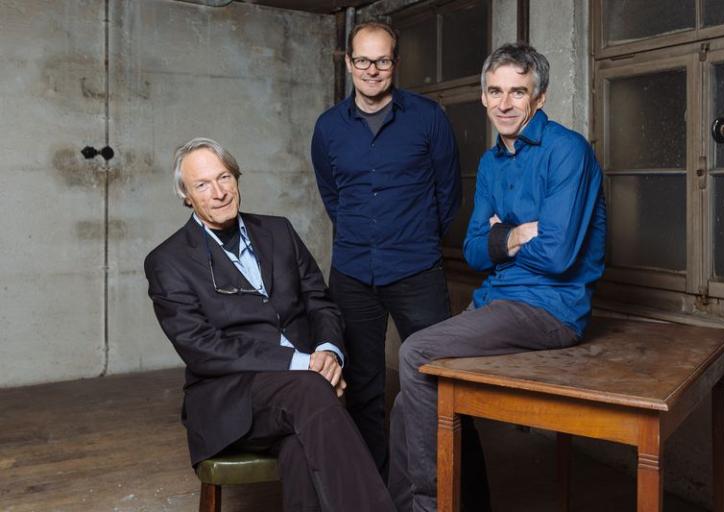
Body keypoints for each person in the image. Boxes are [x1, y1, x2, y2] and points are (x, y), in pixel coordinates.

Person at [390, 43, 607, 512]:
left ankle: (430, 507)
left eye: (517, 92)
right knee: (407, 401)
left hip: (551, 309)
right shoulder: (491, 163)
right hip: (496, 302)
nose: (504, 104)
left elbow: (558, 255)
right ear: (484, 97)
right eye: (495, 91)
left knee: (415, 350)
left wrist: (500, 242)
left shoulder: (567, 151)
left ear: (540, 97)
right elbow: (471, 251)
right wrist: (516, 236)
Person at [144, 137, 395, 512]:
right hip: (230, 399)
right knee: (311, 391)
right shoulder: (168, 261)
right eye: (202, 185)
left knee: (300, 447)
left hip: (303, 394)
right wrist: (303, 364)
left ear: (237, 178)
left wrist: (327, 351)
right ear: (186, 195)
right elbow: (202, 349)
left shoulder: (279, 232)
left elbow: (320, 303)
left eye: (224, 177)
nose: (218, 192)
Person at [311, 21, 468, 476]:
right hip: (353, 273)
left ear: (395, 64)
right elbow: (333, 195)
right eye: (363, 60)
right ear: (348, 63)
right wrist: (366, 236)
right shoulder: (328, 128)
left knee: (442, 379)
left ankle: (455, 491)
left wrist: (414, 238)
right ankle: (371, 491)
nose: (372, 70)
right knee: (361, 386)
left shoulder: (428, 117)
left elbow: (448, 195)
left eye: (382, 61)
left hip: (417, 270)